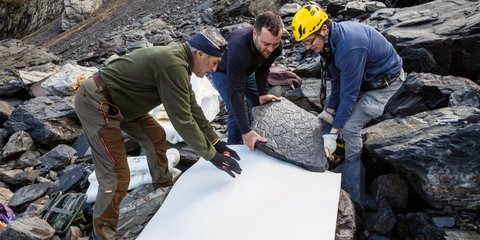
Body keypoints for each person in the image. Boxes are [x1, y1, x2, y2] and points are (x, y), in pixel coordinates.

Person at [73, 29, 242, 240]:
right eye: (214, 63)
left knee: (155, 137)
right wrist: (212, 156)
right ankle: (102, 234)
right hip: (97, 104)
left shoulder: (180, 62)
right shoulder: (173, 65)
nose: (214, 69)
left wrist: (216, 142)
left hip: (124, 104)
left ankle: (162, 186)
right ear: (199, 54)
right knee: (116, 176)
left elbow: (192, 107)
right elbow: (183, 121)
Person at [291, 4, 405, 206]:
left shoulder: (349, 47)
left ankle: (353, 171)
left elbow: (349, 95)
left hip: (386, 83)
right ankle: (338, 150)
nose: (307, 48)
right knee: (332, 115)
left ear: (324, 29)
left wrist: (334, 133)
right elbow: (337, 81)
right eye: (304, 43)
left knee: (350, 127)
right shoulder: (331, 42)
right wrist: (329, 111)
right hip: (367, 78)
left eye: (309, 41)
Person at [211, 11, 283, 150]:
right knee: (235, 109)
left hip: (248, 68)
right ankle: (235, 146)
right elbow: (236, 92)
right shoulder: (239, 47)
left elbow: (264, 68)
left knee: (258, 102)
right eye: (266, 43)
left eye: (275, 44)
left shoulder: (275, 47)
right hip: (224, 71)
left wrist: (263, 93)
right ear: (255, 34)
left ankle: (258, 136)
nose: (270, 49)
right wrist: (245, 130)